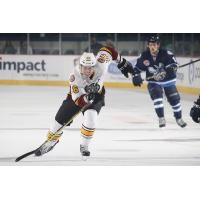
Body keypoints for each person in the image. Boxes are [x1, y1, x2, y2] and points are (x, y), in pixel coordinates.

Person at [34, 46, 132, 159]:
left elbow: (107, 50)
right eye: (85, 68)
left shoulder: (101, 65)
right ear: (80, 66)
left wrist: (122, 61)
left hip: (97, 96)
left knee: (91, 120)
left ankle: (84, 146)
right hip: (76, 98)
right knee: (58, 123)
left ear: (94, 66)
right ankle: (50, 143)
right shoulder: (74, 77)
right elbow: (78, 101)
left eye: (90, 68)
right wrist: (86, 98)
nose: (87, 70)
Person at [117, 36, 187, 128]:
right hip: (154, 82)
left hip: (168, 81)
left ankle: (179, 118)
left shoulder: (167, 54)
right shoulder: (145, 56)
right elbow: (137, 69)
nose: (152, 47)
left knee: (175, 100)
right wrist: (135, 76)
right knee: (157, 97)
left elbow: (174, 64)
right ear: (148, 46)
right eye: (150, 45)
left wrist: (169, 68)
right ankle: (161, 118)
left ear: (158, 45)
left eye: (154, 44)